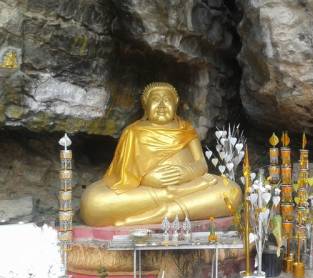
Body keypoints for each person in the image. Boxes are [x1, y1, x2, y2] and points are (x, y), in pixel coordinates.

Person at [80, 82, 241, 226]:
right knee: (93, 202)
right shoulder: (133, 132)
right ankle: (170, 203)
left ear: (176, 104)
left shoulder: (186, 129)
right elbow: (121, 175)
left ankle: (168, 212)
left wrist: (185, 173)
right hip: (147, 191)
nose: (162, 105)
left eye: (167, 100)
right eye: (156, 100)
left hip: (188, 184)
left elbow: (202, 165)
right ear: (146, 106)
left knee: (232, 192)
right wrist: (146, 178)